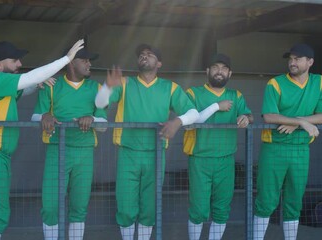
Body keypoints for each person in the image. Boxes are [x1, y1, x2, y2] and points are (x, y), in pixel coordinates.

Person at [0, 39, 84, 240]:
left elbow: (24, 87)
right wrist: (66, 59)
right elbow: (29, 77)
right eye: (14, 60)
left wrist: (37, 84)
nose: (19, 65)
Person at [95, 44, 200, 240]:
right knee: (126, 206)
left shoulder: (170, 87)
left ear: (159, 63)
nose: (144, 56)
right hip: (128, 152)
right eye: (141, 55)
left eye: (149, 55)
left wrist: (177, 122)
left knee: (149, 207)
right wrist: (108, 87)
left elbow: (193, 112)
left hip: (156, 153)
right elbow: (100, 103)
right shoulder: (124, 82)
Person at [31, 48, 107, 240]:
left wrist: (91, 117)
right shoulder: (52, 85)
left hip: (85, 151)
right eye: (85, 60)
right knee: (50, 204)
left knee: (79, 205)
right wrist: (44, 116)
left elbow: (104, 125)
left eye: (90, 60)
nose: (89, 64)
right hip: (58, 150)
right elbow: (35, 116)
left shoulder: (96, 88)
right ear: (71, 63)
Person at [253, 43, 322, 240]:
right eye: (290, 59)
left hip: (301, 149)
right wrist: (301, 121)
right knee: (266, 200)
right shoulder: (275, 83)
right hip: (274, 147)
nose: (292, 62)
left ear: (310, 62)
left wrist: (298, 123)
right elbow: (269, 116)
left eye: (297, 59)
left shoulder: (318, 82)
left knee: (294, 201)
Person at [183, 54, 253, 240]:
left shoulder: (235, 95)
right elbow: (189, 123)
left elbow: (249, 115)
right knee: (198, 208)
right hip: (200, 158)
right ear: (207, 71)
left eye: (223, 68)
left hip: (226, 159)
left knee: (222, 208)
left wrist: (246, 118)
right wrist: (216, 106)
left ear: (230, 73)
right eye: (215, 67)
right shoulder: (193, 93)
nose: (219, 71)